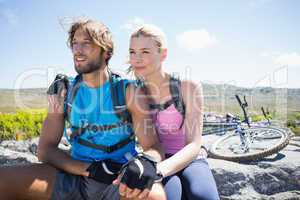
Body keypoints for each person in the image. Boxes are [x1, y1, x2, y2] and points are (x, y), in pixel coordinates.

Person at [0, 19, 166, 200]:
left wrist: (145, 163)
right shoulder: (64, 91)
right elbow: (45, 150)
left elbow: (153, 147)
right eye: (74, 44)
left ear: (106, 52)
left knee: (155, 196)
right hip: (74, 178)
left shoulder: (129, 92)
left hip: (118, 180)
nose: (77, 50)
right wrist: (89, 170)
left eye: (86, 44)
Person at [127, 24, 220, 200]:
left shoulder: (187, 86)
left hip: (191, 158)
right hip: (157, 158)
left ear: (163, 54)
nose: (137, 58)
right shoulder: (135, 91)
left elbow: (194, 144)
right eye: (132, 52)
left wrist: (157, 171)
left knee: (203, 196)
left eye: (145, 52)